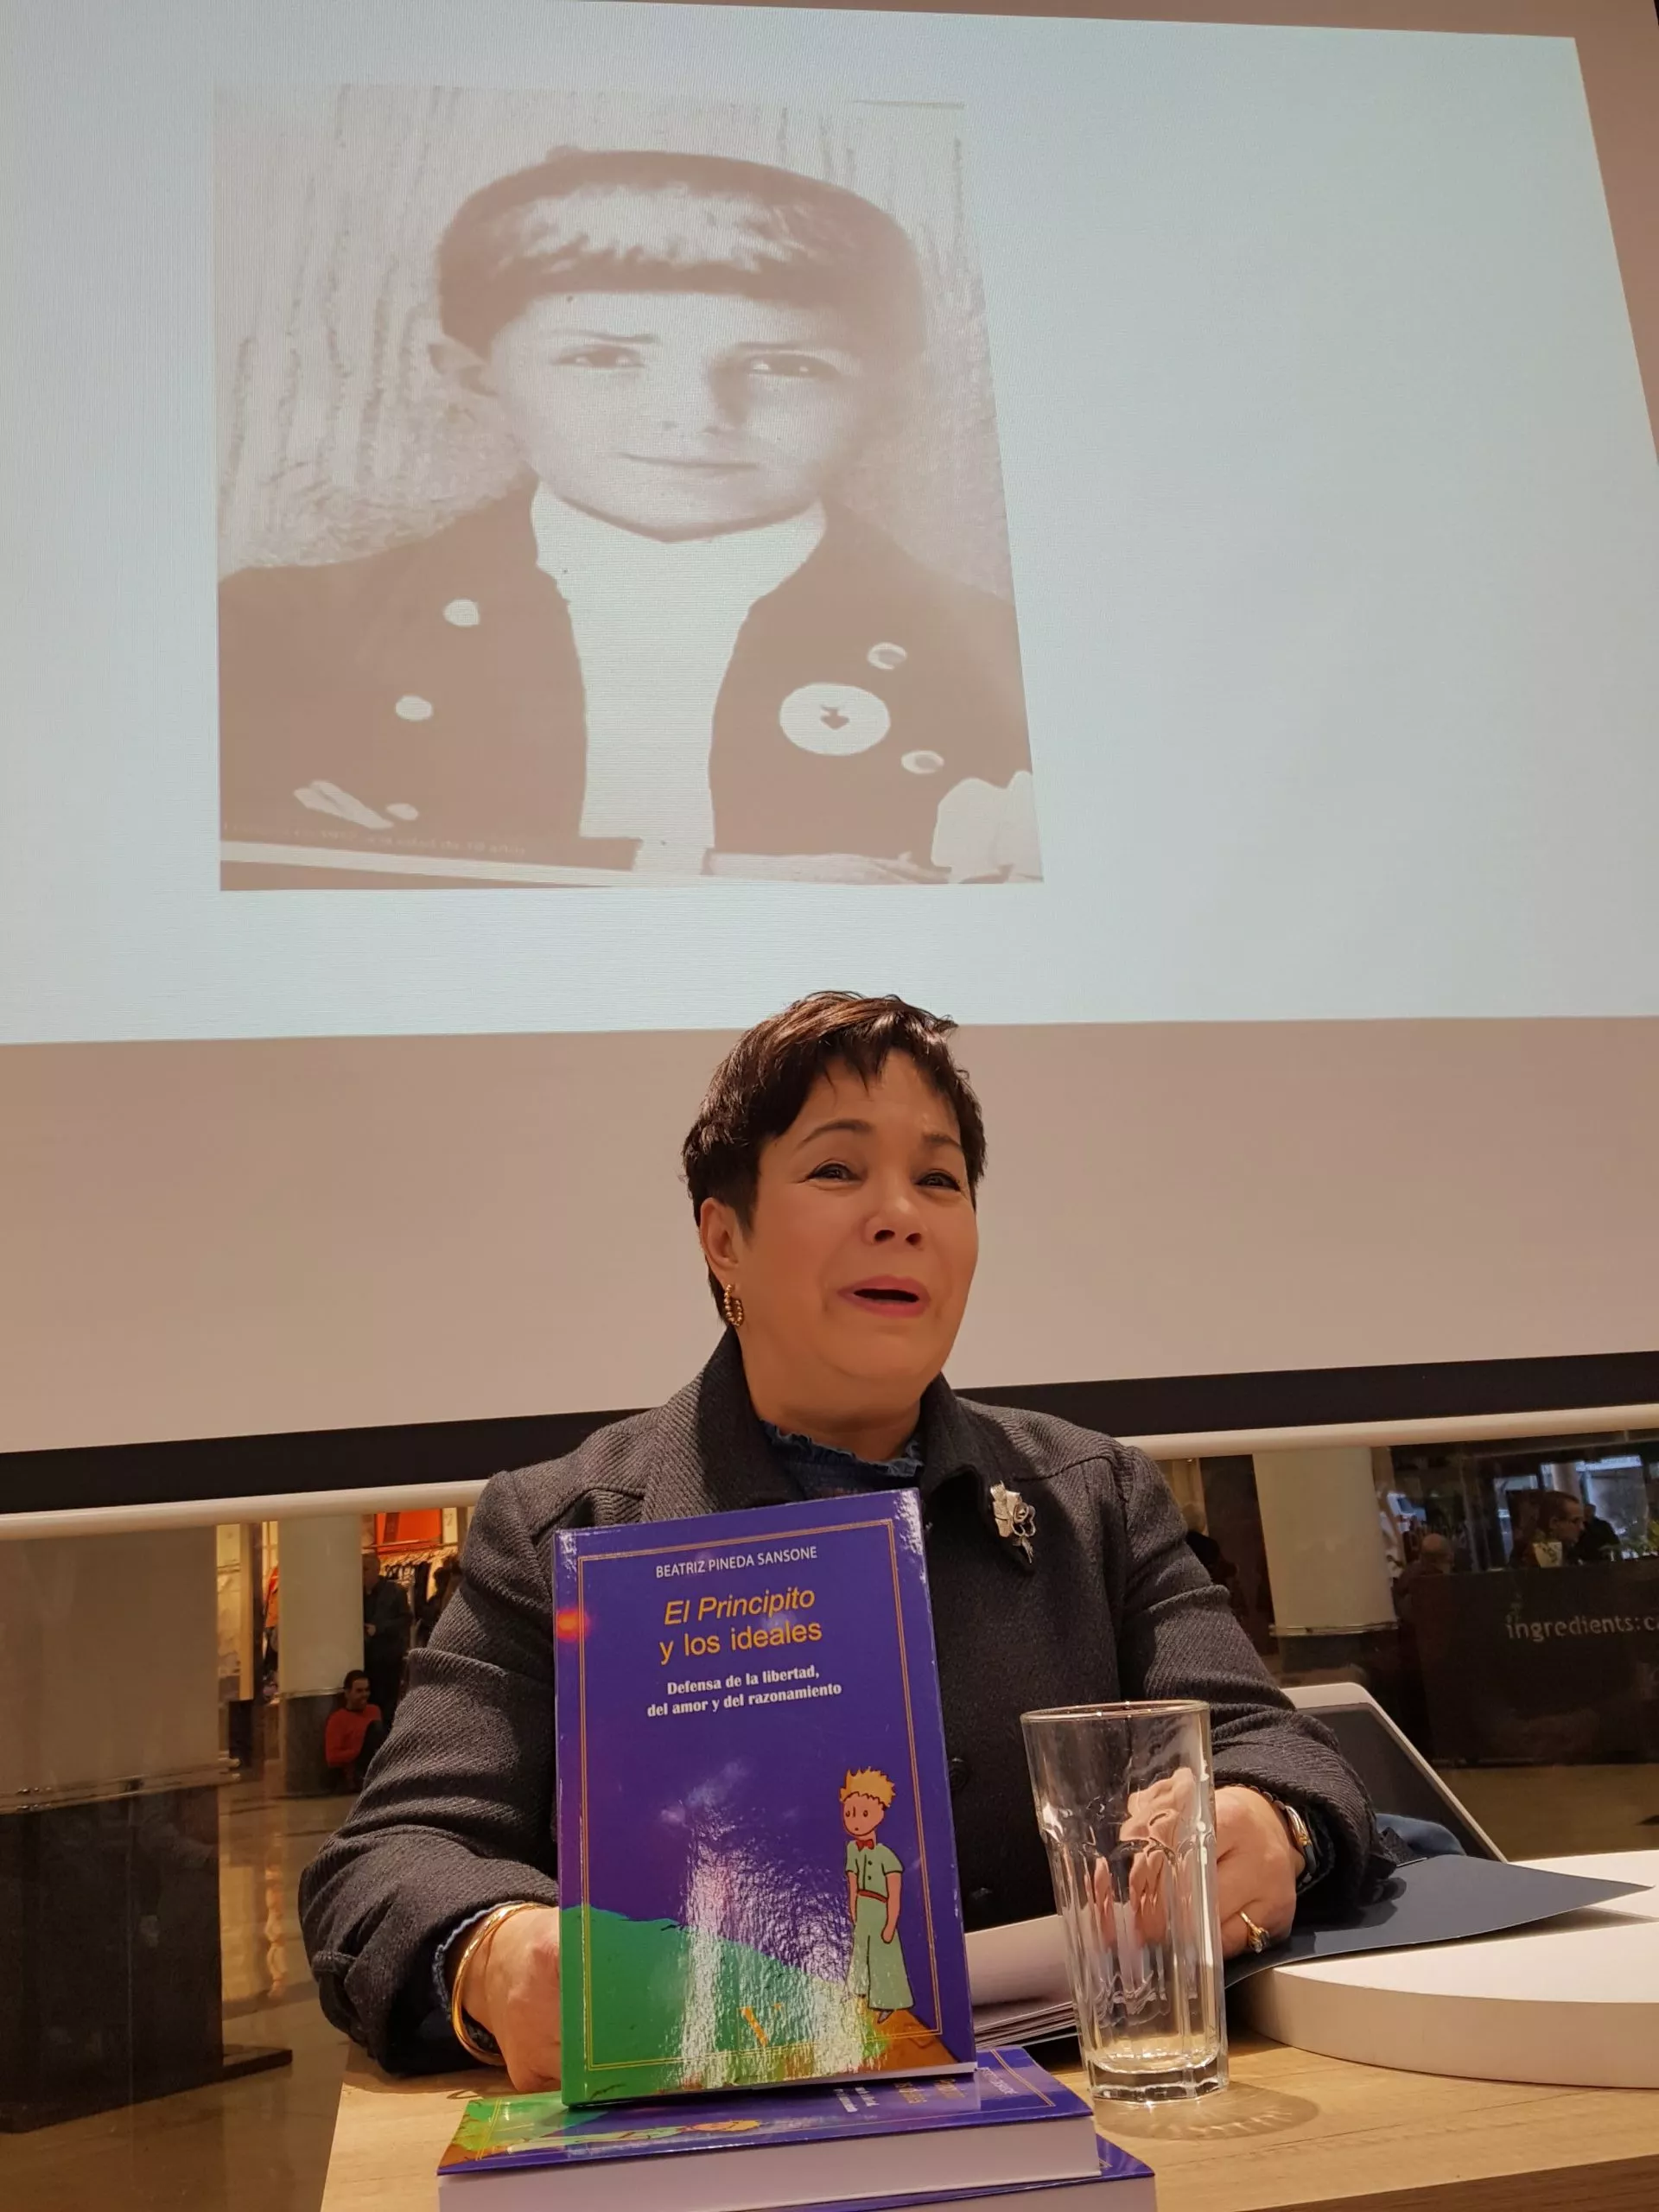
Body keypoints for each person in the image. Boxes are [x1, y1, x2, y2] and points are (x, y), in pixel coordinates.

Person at [300, 991, 1395, 2087]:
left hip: (1091, 2099)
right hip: (714, 2133)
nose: (901, 1214)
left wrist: (1270, 1823)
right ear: (723, 1238)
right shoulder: (565, 1530)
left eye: (940, 1179)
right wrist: (495, 1954)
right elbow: (390, 1858)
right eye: (837, 1169)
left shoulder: (1092, 1497)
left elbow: (1274, 1744)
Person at [220, 149, 1035, 887]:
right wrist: (694, 873)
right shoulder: (285, 633)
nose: (695, 417)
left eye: (785, 365)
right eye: (604, 357)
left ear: (895, 401)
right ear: (475, 380)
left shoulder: (1003, 661)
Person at [361, 1553, 412, 1724]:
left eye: (365, 1569)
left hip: (388, 1659)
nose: (362, 1574)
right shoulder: (357, 1594)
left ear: (376, 1570)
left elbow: (406, 1620)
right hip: (366, 1659)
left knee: (387, 1705)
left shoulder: (394, 1592)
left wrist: (379, 1629)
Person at [323, 1670, 386, 1792]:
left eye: (366, 1690)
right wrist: (357, 1751)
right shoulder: (337, 1719)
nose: (364, 1695)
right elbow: (332, 1757)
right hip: (354, 1770)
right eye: (359, 1691)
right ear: (347, 1693)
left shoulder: (374, 1710)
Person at [1510, 1491, 1586, 1569]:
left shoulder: (1571, 1553)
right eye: (1575, 1521)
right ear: (1554, 1523)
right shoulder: (1537, 1555)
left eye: (1582, 1522)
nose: (1582, 1528)